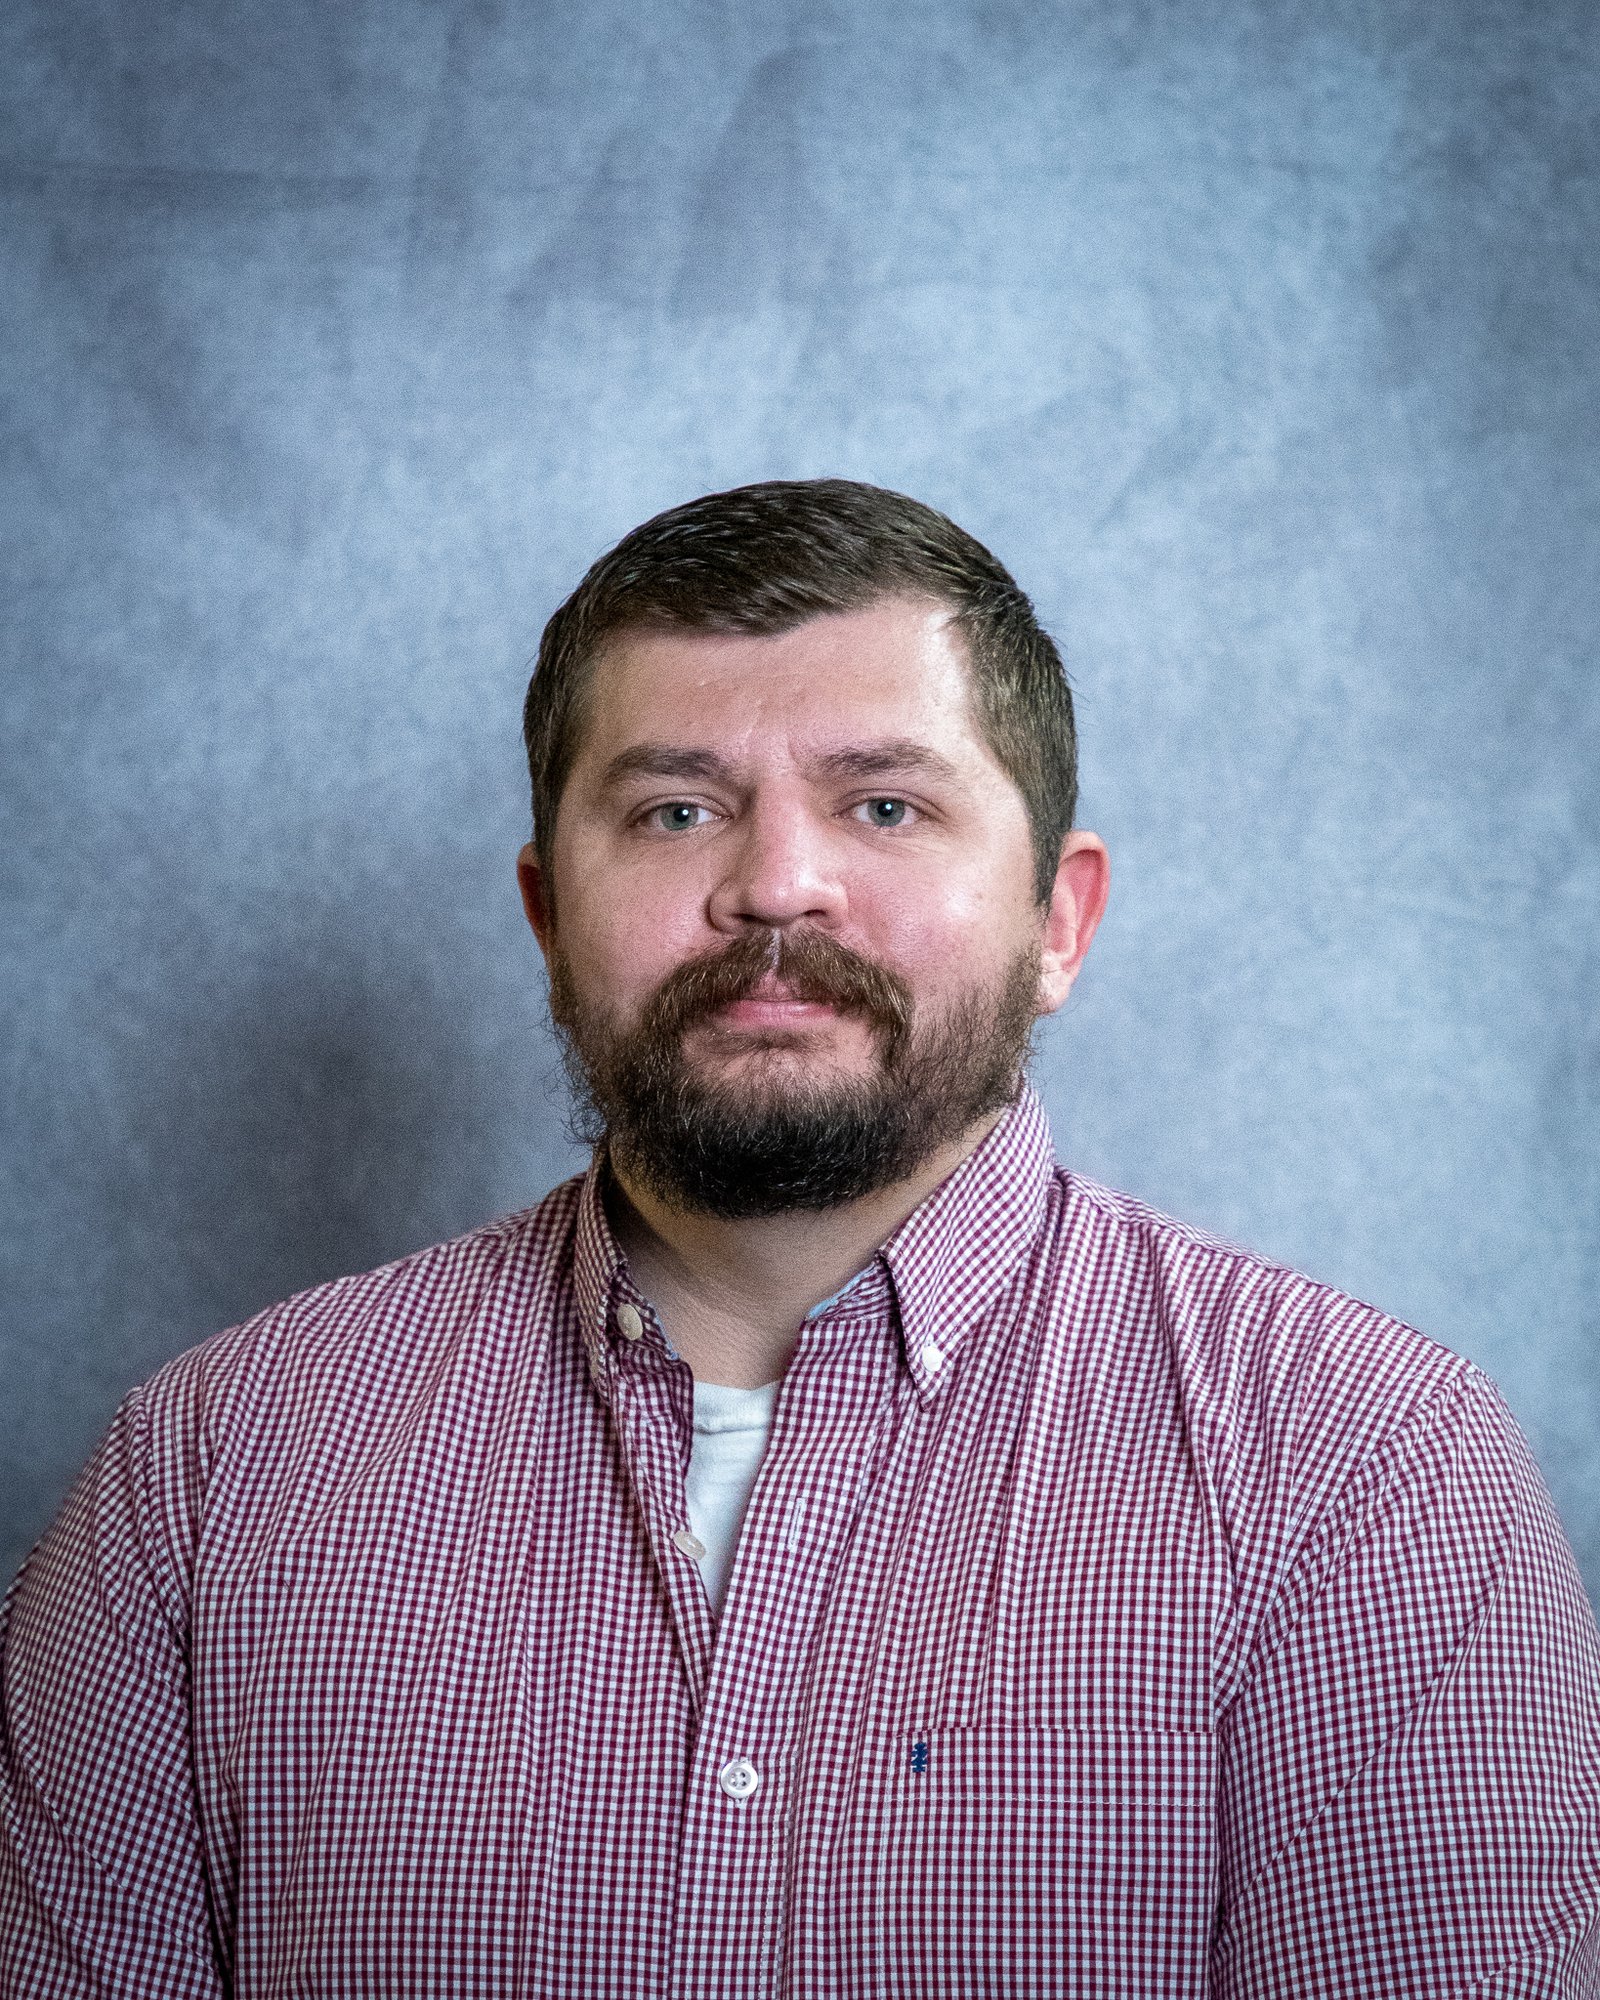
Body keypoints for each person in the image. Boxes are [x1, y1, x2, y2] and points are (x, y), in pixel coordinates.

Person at [2, 479, 1597, 1998]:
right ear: (549, 920)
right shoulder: (204, 1478)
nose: (776, 886)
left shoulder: (1366, 1475)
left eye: (885, 804)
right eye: (677, 809)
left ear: (1058, 921)